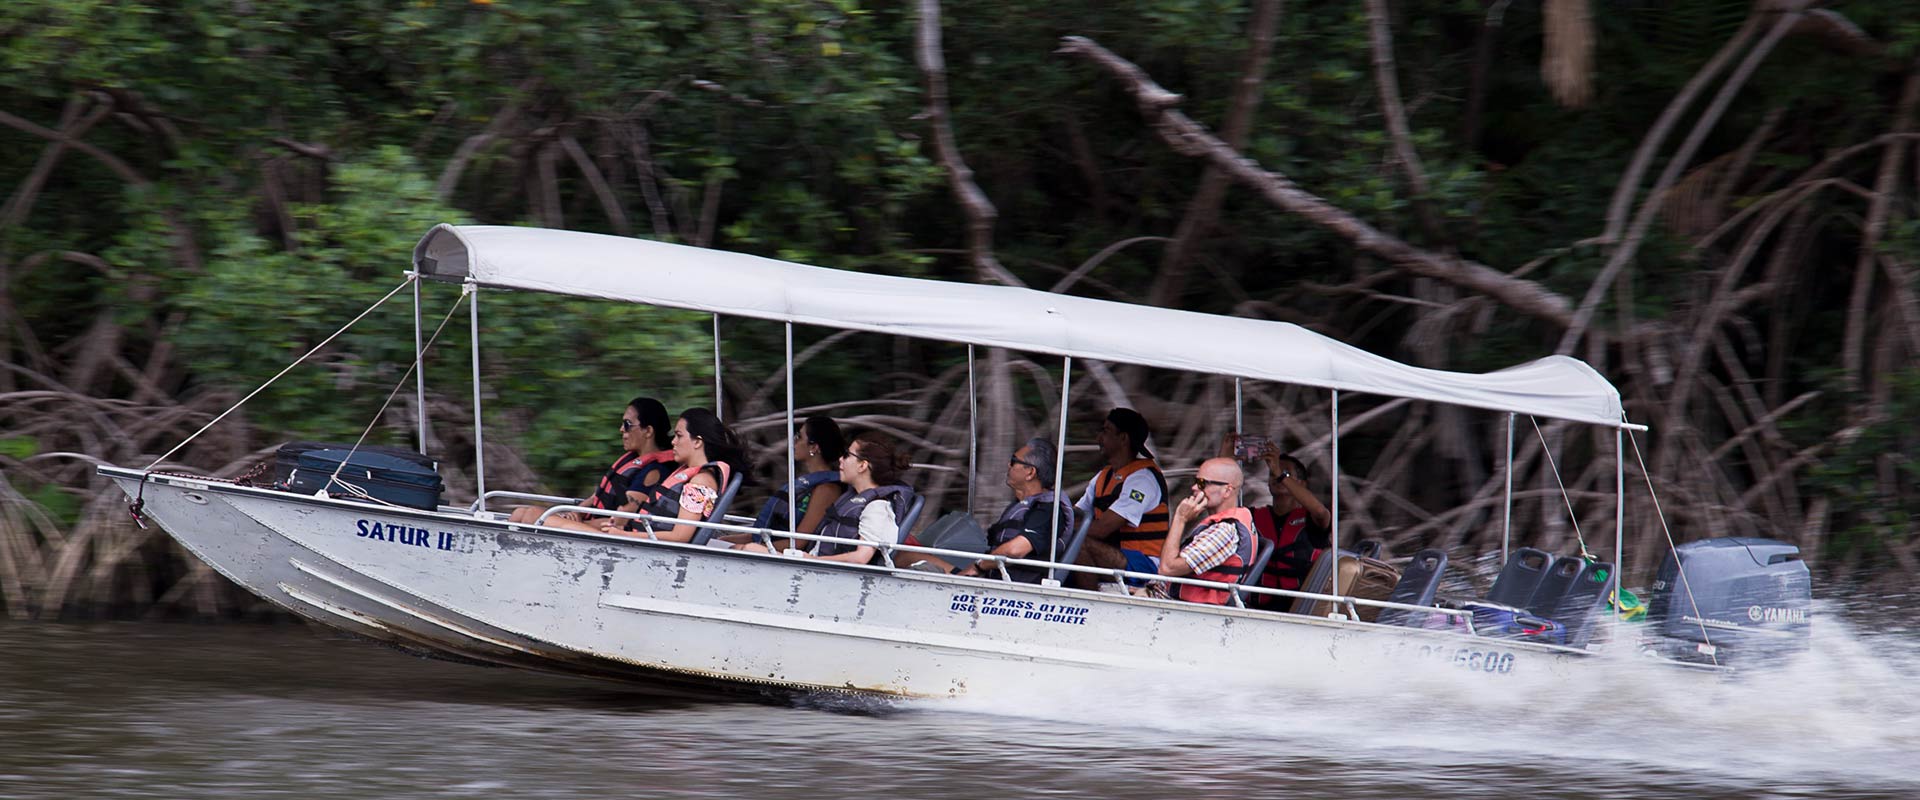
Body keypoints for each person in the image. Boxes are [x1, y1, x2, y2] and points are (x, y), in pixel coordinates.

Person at [912, 438, 1073, 583]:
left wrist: (978, 567)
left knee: (915, 569)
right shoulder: (1022, 504)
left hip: (1005, 588)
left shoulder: (1048, 511)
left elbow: (1015, 550)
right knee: (906, 556)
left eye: (1013, 461)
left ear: (1030, 472)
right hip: (990, 577)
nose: (1008, 465)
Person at [744, 432, 914, 565]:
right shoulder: (852, 498)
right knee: (749, 548)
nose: (840, 459)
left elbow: (861, 558)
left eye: (847, 455)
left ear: (863, 465)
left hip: (825, 572)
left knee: (751, 549)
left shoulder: (877, 508)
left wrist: (812, 560)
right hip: (815, 565)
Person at [514, 397, 677, 530]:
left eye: (627, 425)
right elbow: (595, 497)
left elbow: (620, 520)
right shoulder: (632, 461)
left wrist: (579, 523)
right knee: (521, 513)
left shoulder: (653, 471)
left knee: (533, 515)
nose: (621, 429)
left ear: (648, 431)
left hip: (609, 533)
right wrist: (575, 513)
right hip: (594, 523)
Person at [604, 407, 748, 543]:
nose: (673, 442)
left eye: (679, 436)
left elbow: (680, 536)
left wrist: (625, 535)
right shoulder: (694, 476)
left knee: (582, 527)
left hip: (653, 553)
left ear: (697, 442)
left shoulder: (700, 482)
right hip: (645, 545)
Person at [1223, 436, 1332, 611]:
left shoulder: (1312, 519)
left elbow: (1321, 512)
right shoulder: (1253, 516)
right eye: (1272, 473)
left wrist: (1279, 472)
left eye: (1286, 473)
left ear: (1301, 484)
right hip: (1255, 607)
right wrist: (1225, 457)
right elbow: (1222, 513)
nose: (1275, 476)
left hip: (1300, 610)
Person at [1069, 408, 1169, 591]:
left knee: (1079, 542)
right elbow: (1075, 515)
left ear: (1123, 438)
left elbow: (1101, 529)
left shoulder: (1143, 479)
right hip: (1113, 555)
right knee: (1064, 540)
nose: (1099, 438)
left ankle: (1089, 603)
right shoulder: (1103, 476)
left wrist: (1064, 529)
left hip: (1144, 564)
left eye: (1106, 431)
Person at [722, 416, 847, 550]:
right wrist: (723, 540)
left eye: (799, 437)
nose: (794, 442)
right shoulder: (808, 483)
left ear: (814, 447)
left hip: (785, 557)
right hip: (767, 545)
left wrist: (747, 548)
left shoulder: (827, 489)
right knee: (716, 543)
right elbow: (757, 536)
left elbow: (798, 542)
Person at [1150, 457, 1254, 605]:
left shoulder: (1224, 532)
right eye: (1196, 481)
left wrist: (1180, 518)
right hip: (1169, 599)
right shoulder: (1221, 522)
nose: (1194, 487)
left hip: (1185, 609)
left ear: (1227, 491)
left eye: (1202, 483)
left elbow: (1167, 569)